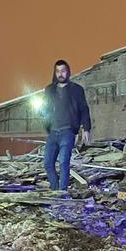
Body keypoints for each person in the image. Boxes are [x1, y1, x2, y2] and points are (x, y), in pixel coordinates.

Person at [40, 60, 92, 192]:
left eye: (63, 71)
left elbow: (84, 109)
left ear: (68, 72)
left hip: (67, 132)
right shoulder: (49, 90)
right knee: (48, 163)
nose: (60, 74)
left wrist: (86, 128)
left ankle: (62, 192)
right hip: (53, 132)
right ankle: (56, 190)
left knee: (63, 163)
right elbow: (45, 108)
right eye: (57, 71)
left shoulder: (76, 90)